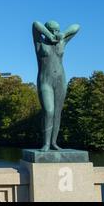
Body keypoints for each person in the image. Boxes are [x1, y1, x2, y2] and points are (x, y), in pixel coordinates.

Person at [32, 20, 80, 151]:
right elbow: (35, 24)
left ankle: (54, 143)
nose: (55, 33)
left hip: (60, 80)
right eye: (53, 30)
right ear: (47, 30)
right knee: (49, 111)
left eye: (57, 30)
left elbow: (76, 27)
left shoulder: (62, 42)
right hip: (45, 81)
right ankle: (46, 144)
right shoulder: (39, 43)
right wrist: (49, 36)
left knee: (57, 113)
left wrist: (63, 34)